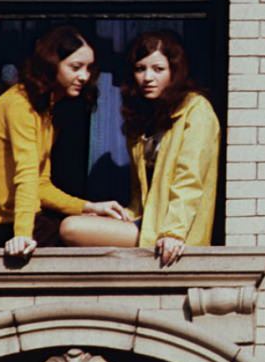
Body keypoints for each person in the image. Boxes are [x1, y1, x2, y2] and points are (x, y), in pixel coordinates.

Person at [60, 31, 220, 265]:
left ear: (175, 71)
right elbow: (141, 193)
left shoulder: (196, 110)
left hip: (173, 230)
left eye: (158, 69)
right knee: (77, 224)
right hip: (146, 222)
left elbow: (190, 179)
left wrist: (173, 233)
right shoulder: (141, 121)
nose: (147, 77)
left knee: (70, 228)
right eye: (140, 69)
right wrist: (121, 216)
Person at [0, 26, 130, 258]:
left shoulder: (44, 111)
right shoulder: (19, 103)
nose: (84, 76)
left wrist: (91, 207)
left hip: (22, 220)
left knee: (89, 229)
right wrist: (23, 234)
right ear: (52, 63)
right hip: (0, 226)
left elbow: (40, 185)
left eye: (88, 68)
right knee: (84, 241)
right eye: (75, 67)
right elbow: (26, 172)